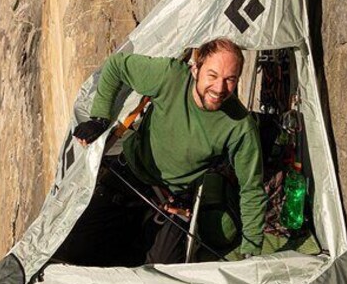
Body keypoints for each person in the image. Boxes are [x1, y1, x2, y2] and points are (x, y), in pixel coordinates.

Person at [64, 38, 266, 264]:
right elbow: (117, 65)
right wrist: (100, 119)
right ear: (195, 68)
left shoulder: (240, 125)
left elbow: (251, 187)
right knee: (76, 249)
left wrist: (251, 252)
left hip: (172, 198)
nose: (220, 88)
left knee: (159, 273)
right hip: (129, 173)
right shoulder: (171, 76)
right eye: (212, 75)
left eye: (230, 79)